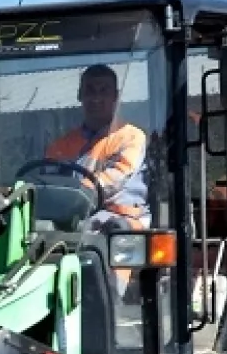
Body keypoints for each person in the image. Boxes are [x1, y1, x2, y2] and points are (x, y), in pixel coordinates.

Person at [45, 63, 150, 232]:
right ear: (80, 95)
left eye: (104, 91)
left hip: (122, 223)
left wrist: (77, 193)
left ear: (115, 96)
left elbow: (117, 176)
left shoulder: (131, 137)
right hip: (75, 219)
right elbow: (48, 184)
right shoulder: (60, 146)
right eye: (90, 91)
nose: (96, 98)